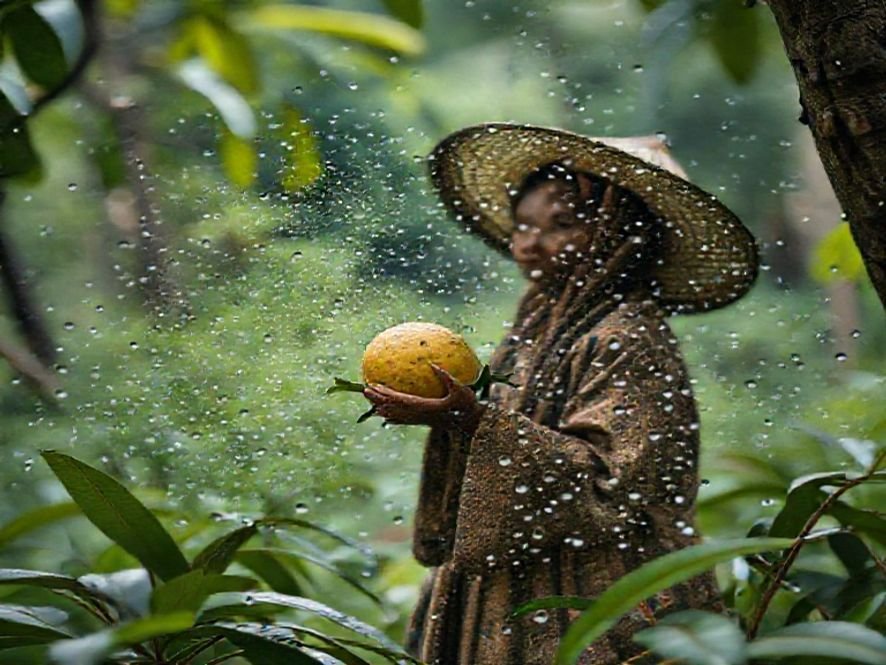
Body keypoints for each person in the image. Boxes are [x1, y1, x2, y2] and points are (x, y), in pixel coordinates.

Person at [363, 124, 758, 664]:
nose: (529, 244)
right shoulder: (539, 322)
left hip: (594, 598)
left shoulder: (626, 338)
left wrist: (473, 421)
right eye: (524, 225)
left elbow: (612, 485)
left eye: (561, 225)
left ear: (619, 236)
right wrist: (461, 417)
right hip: (515, 589)